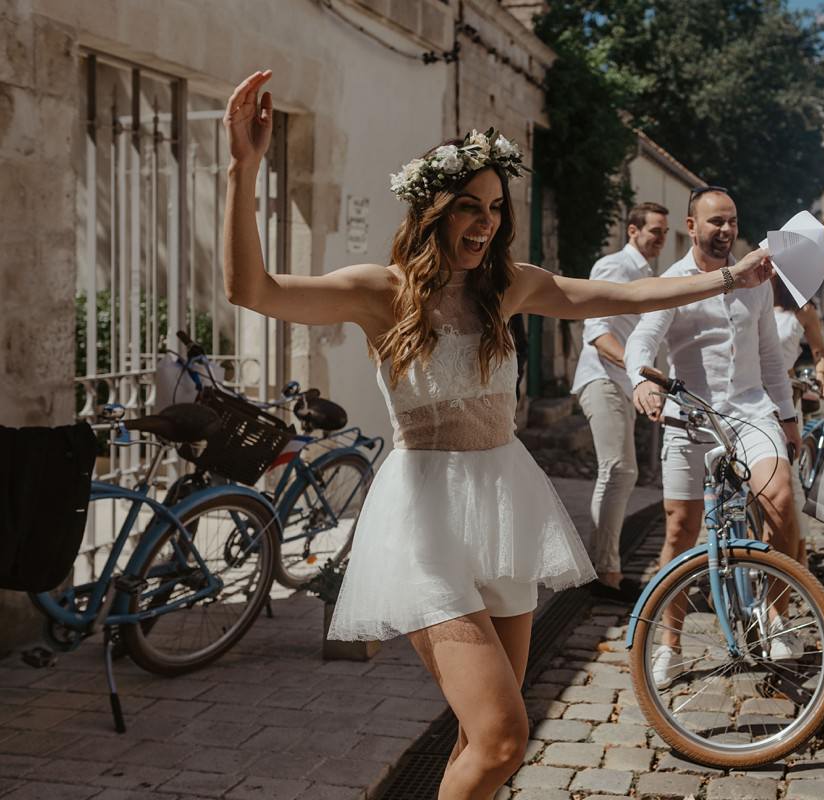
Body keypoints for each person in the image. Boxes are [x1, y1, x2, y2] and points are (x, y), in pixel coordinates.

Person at [221, 71, 774, 799]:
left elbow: (628, 294)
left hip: (505, 509)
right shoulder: (380, 292)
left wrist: (730, 279)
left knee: (479, 738)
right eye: (468, 207)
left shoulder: (508, 285)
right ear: (432, 211)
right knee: (504, 737)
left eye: (493, 208)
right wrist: (244, 166)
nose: (484, 222)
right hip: (423, 520)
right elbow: (252, 290)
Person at [625, 187, 806, 689]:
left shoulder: (756, 278)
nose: (726, 230)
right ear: (691, 226)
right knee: (680, 531)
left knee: (779, 498)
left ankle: (776, 616)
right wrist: (641, 380)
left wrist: (788, 416)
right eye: (715, 222)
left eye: (732, 221)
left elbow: (770, 356)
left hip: (749, 411)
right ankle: (670, 644)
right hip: (690, 416)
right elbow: (643, 338)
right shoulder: (673, 281)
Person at [570, 202, 670, 603]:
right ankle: (604, 573)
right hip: (602, 379)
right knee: (619, 470)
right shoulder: (614, 266)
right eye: (655, 231)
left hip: (625, 383)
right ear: (633, 230)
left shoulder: (649, 276)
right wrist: (639, 372)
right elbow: (597, 333)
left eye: (664, 232)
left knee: (621, 472)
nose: (661, 239)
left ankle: (604, 567)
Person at [772, 276, 824, 404]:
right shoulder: (746, 303)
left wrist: (821, 376)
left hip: (784, 392)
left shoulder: (803, 310)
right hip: (743, 390)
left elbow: (819, 350)